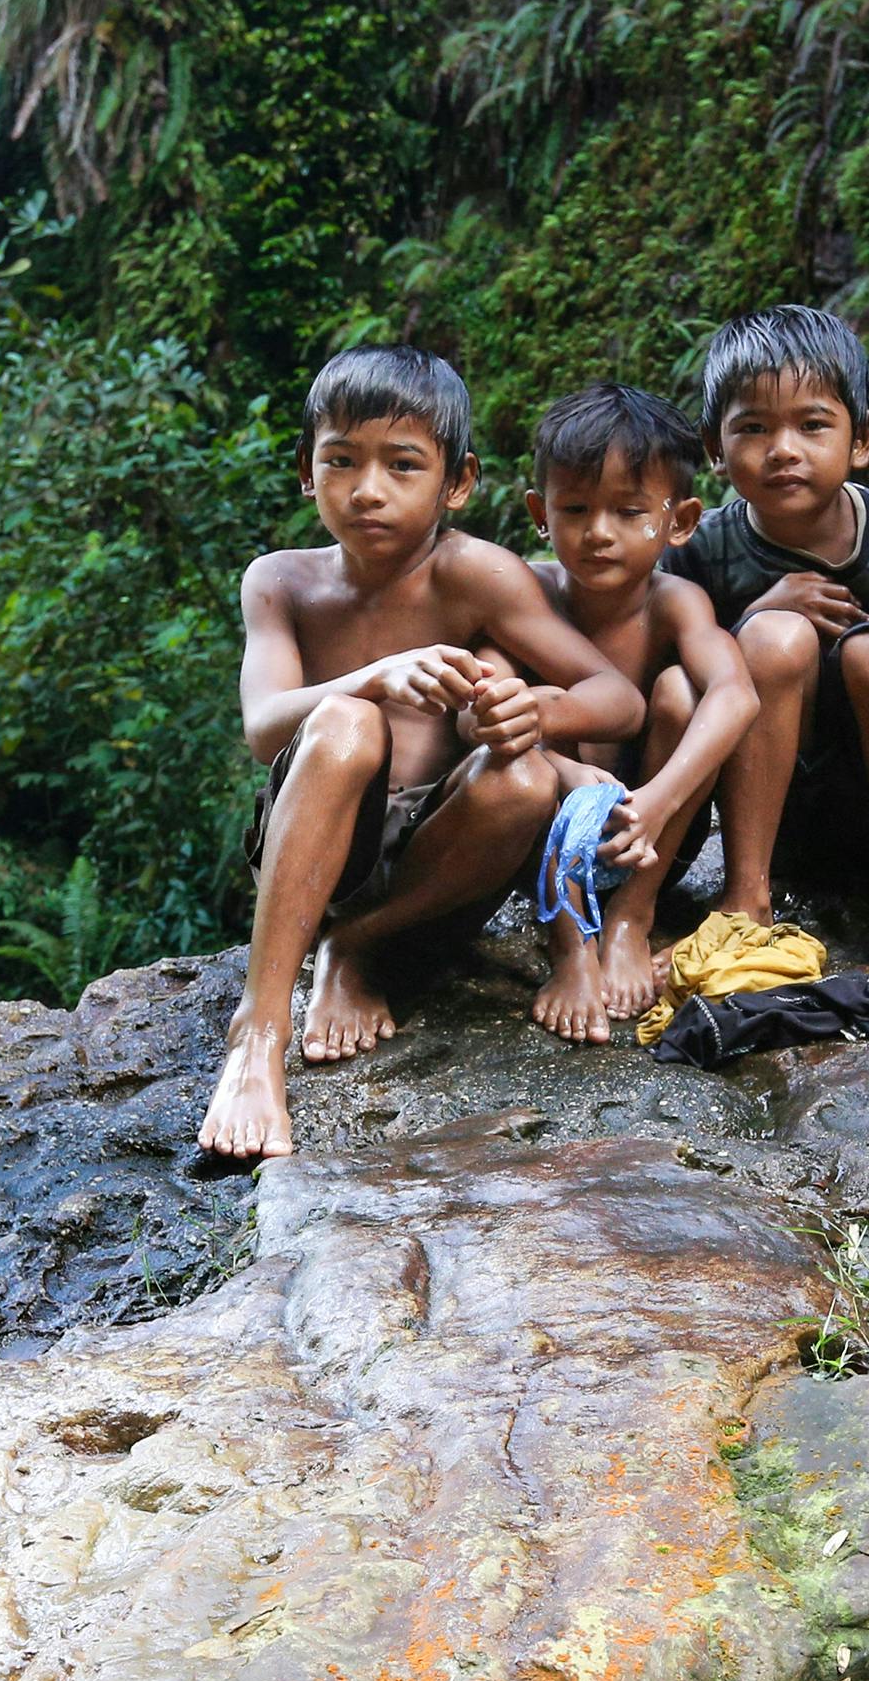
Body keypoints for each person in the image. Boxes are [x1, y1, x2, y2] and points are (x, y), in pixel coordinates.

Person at [196, 345, 651, 1163]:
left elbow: (616, 694)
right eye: (341, 460)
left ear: (457, 482)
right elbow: (264, 728)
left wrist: (533, 709)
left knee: (525, 780)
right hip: (322, 839)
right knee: (347, 723)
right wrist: (372, 679)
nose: (368, 489)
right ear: (306, 470)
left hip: (439, 863)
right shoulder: (280, 581)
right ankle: (258, 1034)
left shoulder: (476, 574)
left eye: (403, 465)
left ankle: (356, 946)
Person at [663, 305, 869, 1004]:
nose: (783, 449)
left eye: (813, 425)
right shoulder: (699, 553)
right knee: (771, 636)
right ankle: (745, 900)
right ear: (715, 448)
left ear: (862, 437)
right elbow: (660, 682)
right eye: (753, 428)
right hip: (775, 821)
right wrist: (754, 617)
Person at [514, 383, 761, 1042]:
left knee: (683, 691)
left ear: (680, 520)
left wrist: (657, 800)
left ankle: (630, 916)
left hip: (648, 835)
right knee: (529, 719)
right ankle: (570, 943)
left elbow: (737, 693)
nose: (599, 532)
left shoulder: (673, 602)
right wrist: (564, 770)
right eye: (575, 508)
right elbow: (485, 712)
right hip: (543, 837)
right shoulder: (525, 596)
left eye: (629, 512)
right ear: (541, 512)